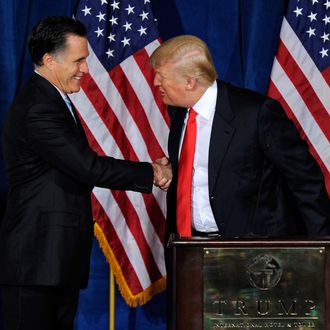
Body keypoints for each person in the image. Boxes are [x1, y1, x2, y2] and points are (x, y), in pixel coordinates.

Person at [0, 16, 171, 330]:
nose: (86, 69)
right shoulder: (38, 107)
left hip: (53, 261)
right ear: (49, 60)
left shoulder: (53, 100)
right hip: (37, 262)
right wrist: (152, 173)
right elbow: (88, 166)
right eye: (78, 61)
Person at [150, 34, 330, 241]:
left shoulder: (257, 114)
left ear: (190, 82)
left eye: (161, 76)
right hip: (189, 248)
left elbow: (305, 182)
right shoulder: (179, 110)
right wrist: (173, 170)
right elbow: (214, 165)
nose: (155, 82)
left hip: (254, 254)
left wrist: (323, 249)